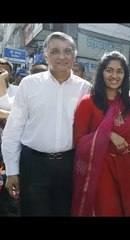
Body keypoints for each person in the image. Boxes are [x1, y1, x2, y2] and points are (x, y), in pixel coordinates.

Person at [1, 31, 92, 216]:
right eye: (55, 51)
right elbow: (13, 129)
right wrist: (11, 171)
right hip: (33, 165)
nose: (62, 56)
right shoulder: (29, 84)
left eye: (67, 51)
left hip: (69, 166)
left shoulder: (85, 88)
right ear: (46, 54)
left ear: (75, 56)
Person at [71, 51, 130, 216]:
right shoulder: (88, 102)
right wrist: (107, 135)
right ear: (101, 73)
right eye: (109, 70)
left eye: (119, 71)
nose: (114, 75)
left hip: (125, 170)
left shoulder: (129, 104)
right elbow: (78, 141)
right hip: (98, 172)